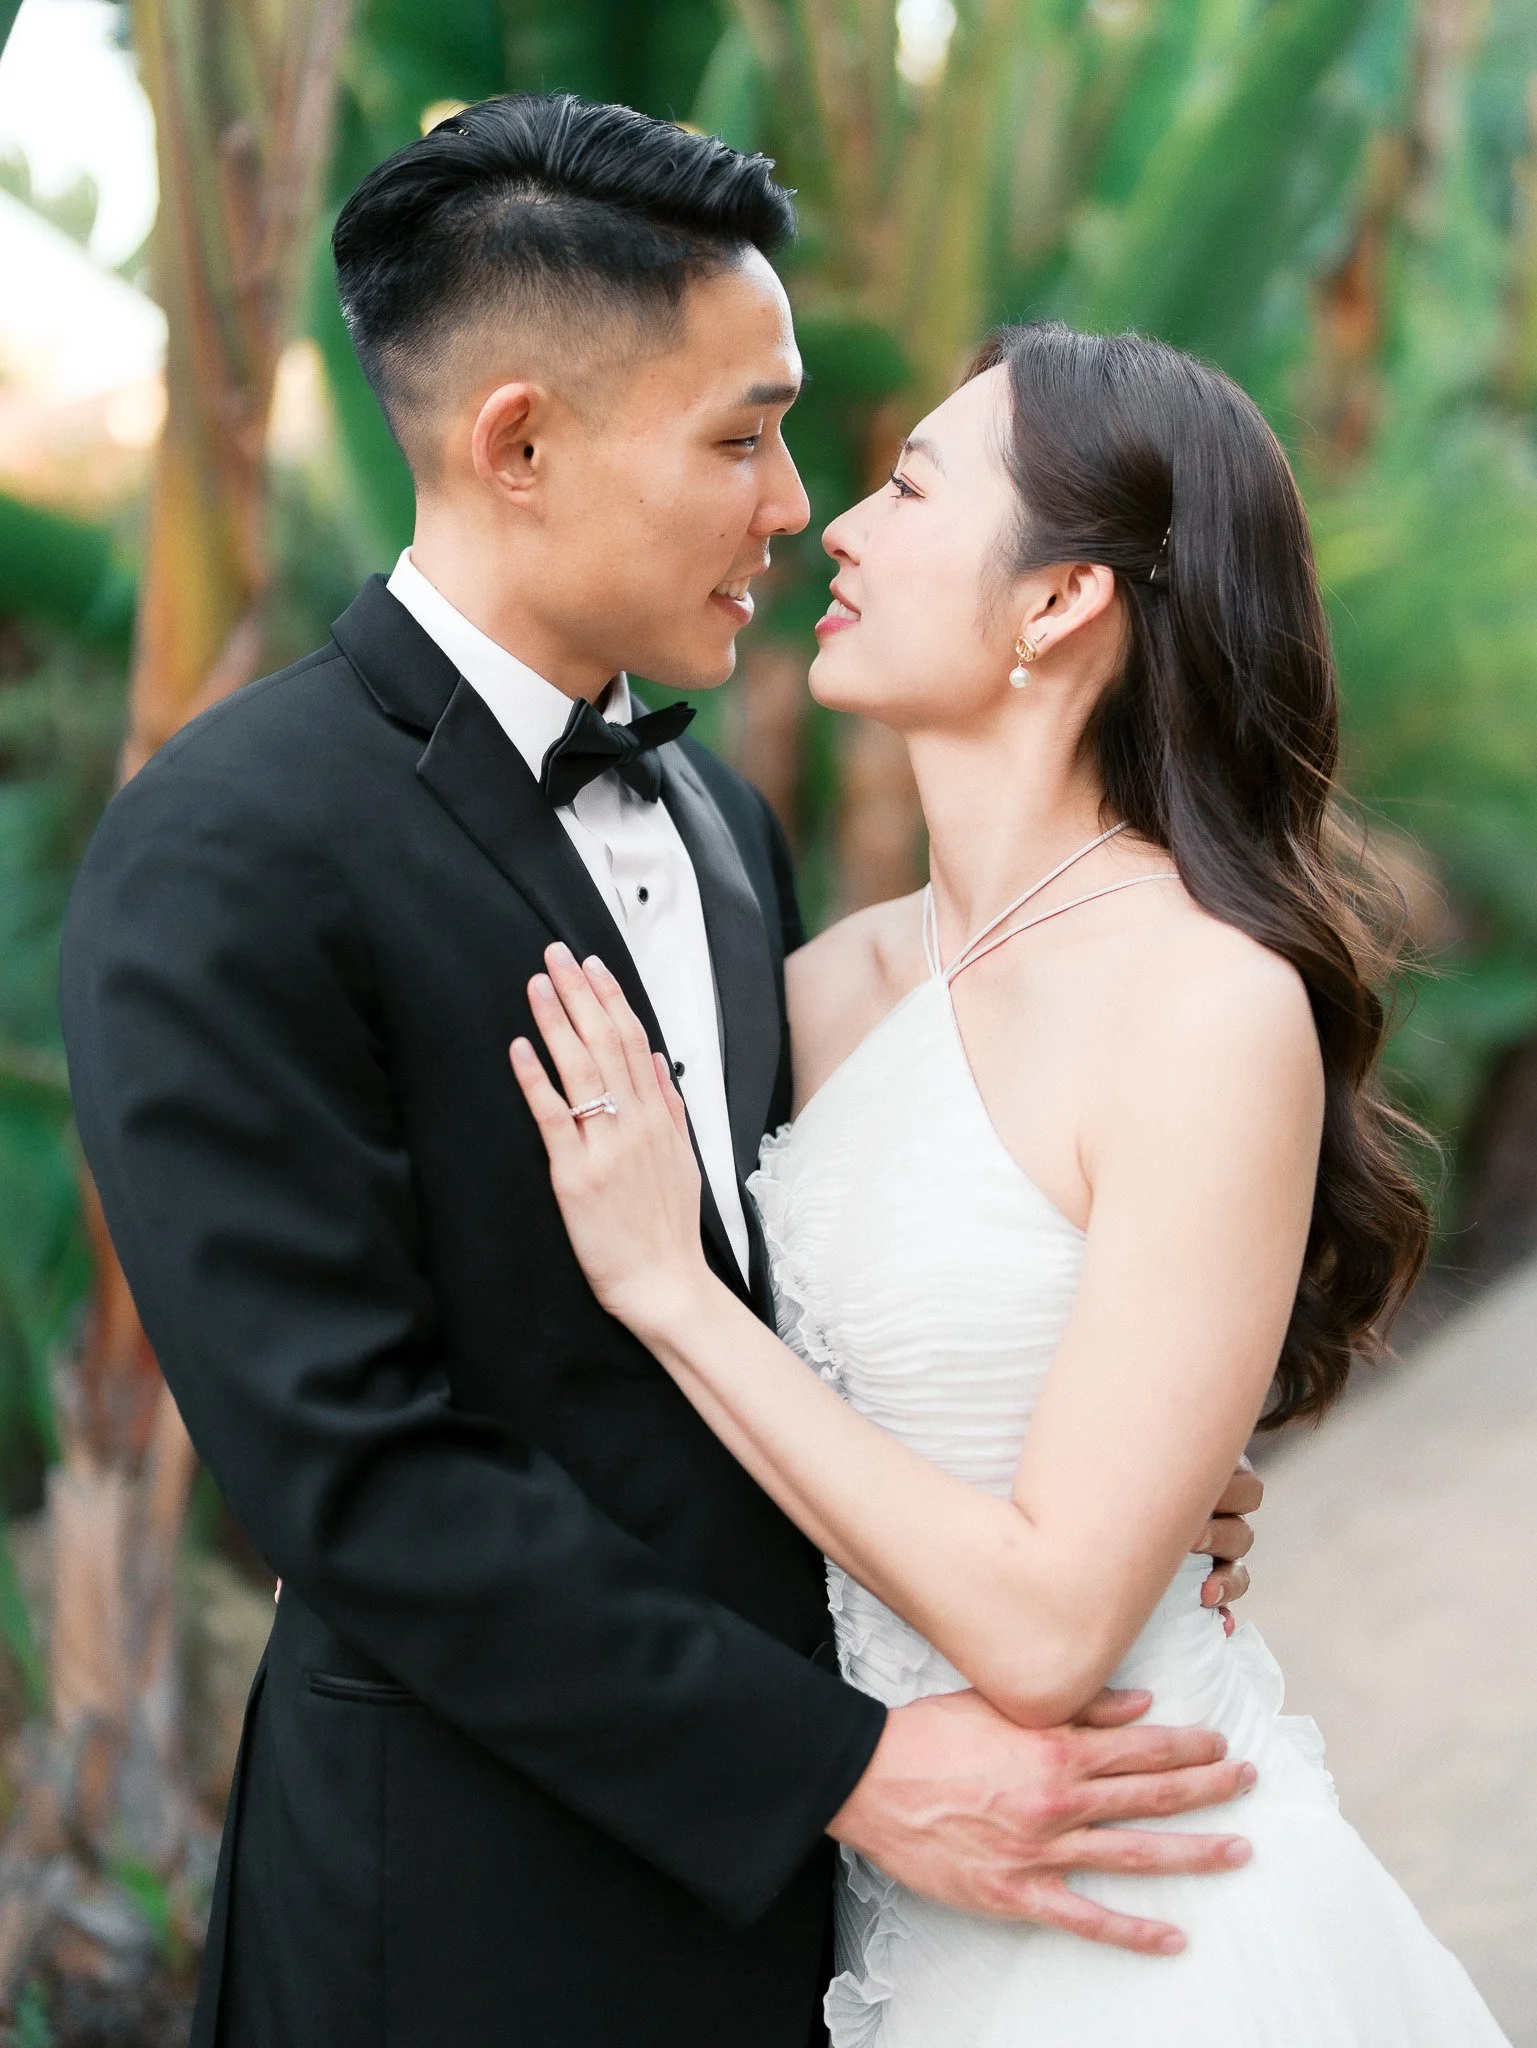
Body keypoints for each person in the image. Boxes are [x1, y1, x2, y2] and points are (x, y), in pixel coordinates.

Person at [60, 102, 1261, 2048]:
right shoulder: (227, 849)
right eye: (741, 433)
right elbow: (360, 1480)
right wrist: (848, 1766)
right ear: (518, 441)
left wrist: (1096, 1469)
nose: (796, 503)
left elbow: (796, 1299)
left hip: (818, 1921)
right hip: (468, 1922)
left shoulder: (717, 814)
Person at [509, 321, 1513, 2045]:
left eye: (909, 485)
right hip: (885, 1915)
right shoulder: (816, 987)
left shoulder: (1206, 1004)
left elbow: (1052, 1634)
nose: (836, 525)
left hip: (1149, 1927)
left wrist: (668, 1288)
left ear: (1060, 604)